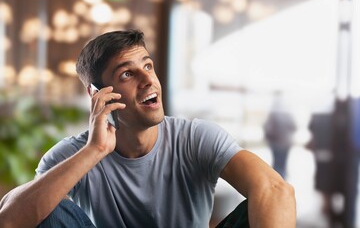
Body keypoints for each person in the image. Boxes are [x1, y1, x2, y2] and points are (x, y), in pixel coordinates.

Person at [0, 29, 296, 228]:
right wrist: (95, 151)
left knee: (262, 202)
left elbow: (275, 190)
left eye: (148, 66)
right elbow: (10, 218)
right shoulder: (73, 153)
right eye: (127, 73)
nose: (148, 80)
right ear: (98, 94)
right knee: (48, 207)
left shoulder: (195, 138)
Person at [263, 91, 297, 179]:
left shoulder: (273, 111)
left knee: (277, 162)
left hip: (276, 142)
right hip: (285, 142)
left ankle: (278, 180)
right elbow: (294, 126)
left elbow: (267, 127)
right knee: (282, 162)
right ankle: (282, 179)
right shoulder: (287, 111)